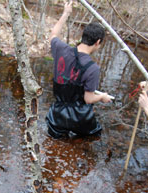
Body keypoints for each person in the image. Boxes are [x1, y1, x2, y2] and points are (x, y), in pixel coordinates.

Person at [46, 1, 112, 139]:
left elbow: (53, 35)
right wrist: (102, 97)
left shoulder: (61, 49)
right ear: (98, 42)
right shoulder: (92, 68)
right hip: (79, 118)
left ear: (83, 36)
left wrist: (66, 13)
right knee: (95, 137)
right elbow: (88, 99)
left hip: (57, 115)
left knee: (55, 143)